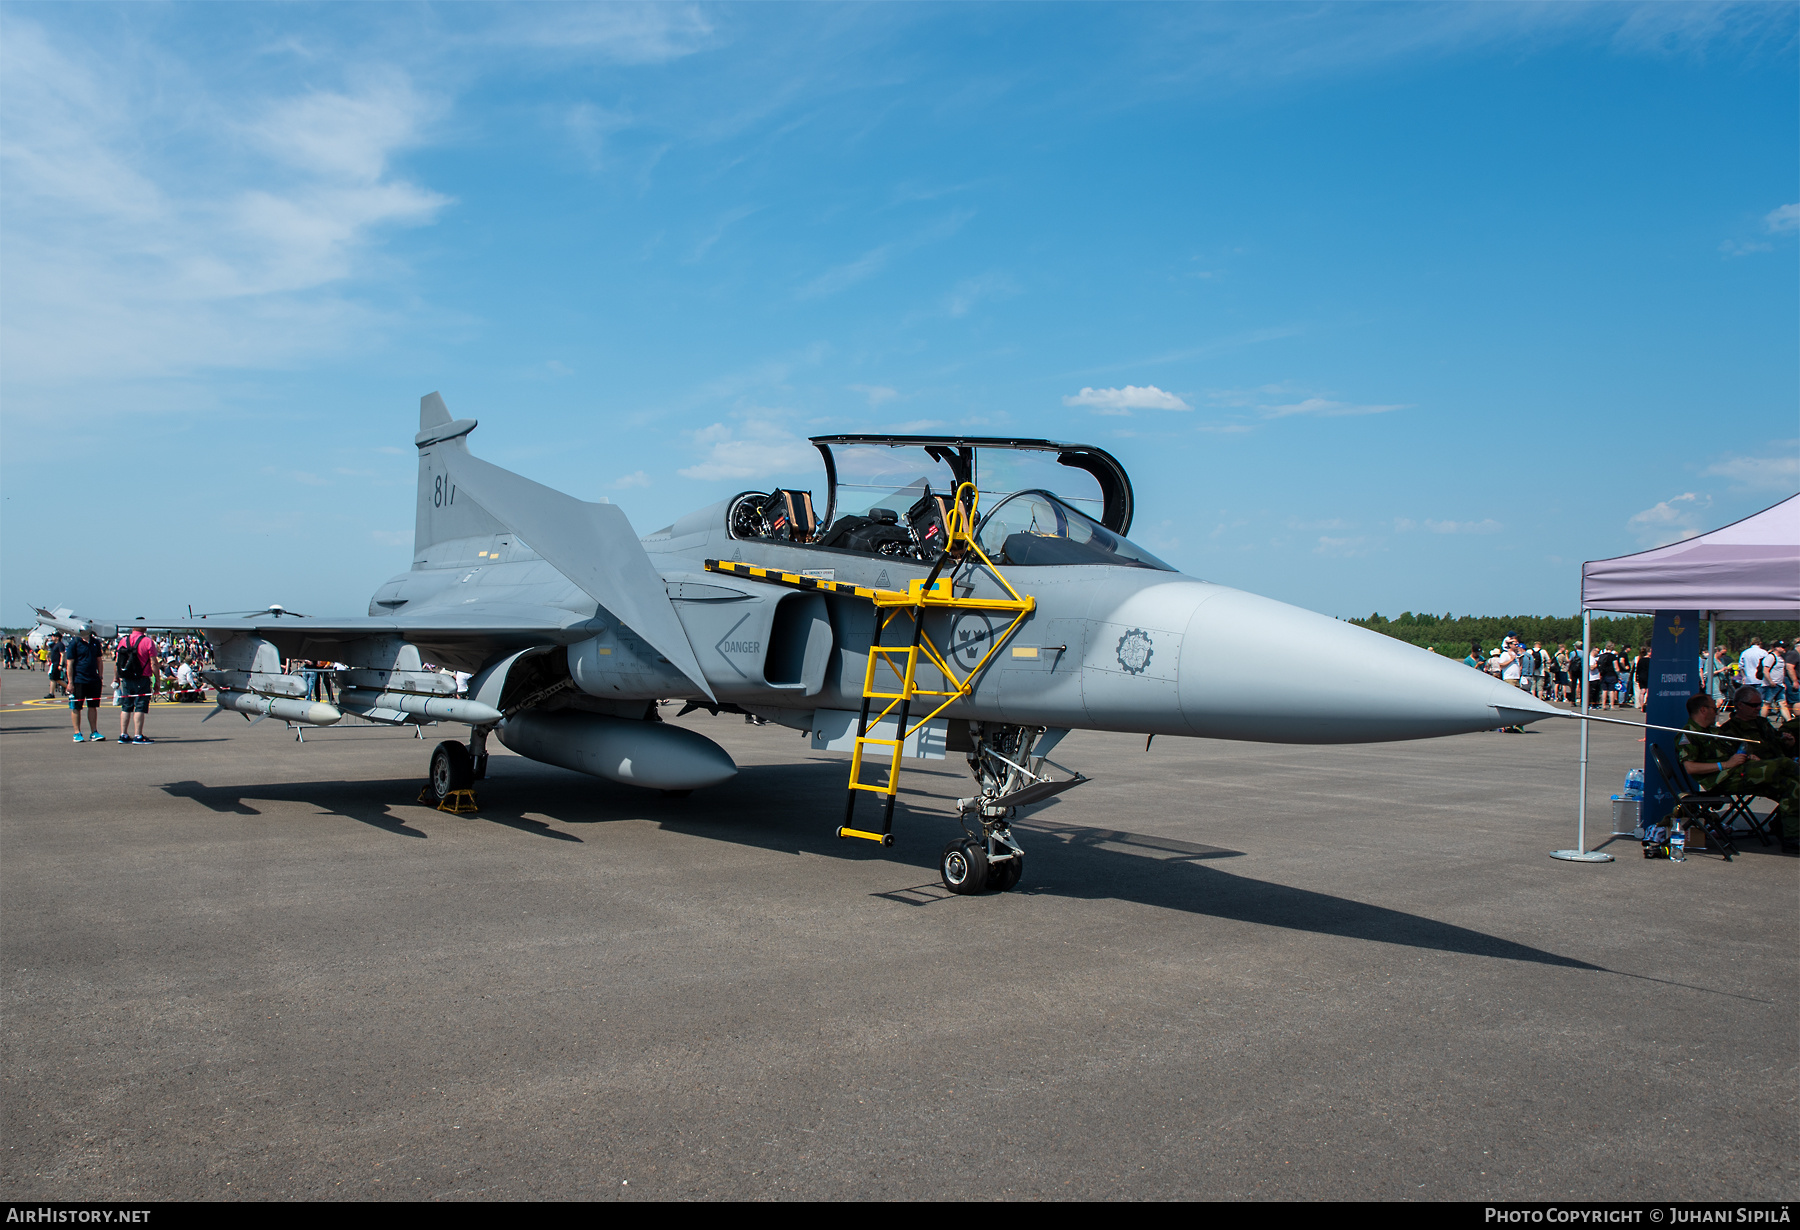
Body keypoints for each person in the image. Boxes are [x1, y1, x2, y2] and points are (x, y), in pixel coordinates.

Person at [1678, 687, 1798, 854]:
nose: (1718, 711)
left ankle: (1790, 836)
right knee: (1785, 764)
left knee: (1791, 785)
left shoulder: (1714, 732)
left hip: (1739, 771)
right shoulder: (1689, 734)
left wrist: (1747, 755)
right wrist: (1725, 765)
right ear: (1703, 710)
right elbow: (1691, 768)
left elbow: (1733, 751)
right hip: (1722, 779)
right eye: (1715, 708)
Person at [115, 619, 157, 744]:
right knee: (140, 707)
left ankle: (123, 734)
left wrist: (116, 677)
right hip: (142, 678)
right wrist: (157, 681)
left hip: (126, 678)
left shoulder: (123, 641)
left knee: (126, 706)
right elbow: (153, 662)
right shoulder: (148, 642)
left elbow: (118, 661)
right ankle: (138, 735)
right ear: (145, 628)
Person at [64, 624, 107, 742]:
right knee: (76, 707)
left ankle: (94, 731)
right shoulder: (75, 643)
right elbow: (70, 663)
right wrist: (70, 682)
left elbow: (99, 660)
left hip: (93, 679)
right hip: (79, 679)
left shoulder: (95, 643)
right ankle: (77, 732)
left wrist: (100, 676)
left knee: (93, 706)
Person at [1738, 635, 1776, 716]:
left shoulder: (1745, 652)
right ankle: (1757, 716)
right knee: (1759, 700)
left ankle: (1748, 714)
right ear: (1760, 643)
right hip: (1760, 679)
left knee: (1748, 699)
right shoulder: (1763, 652)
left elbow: (1741, 666)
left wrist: (1744, 676)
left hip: (1748, 679)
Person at [44, 632, 66, 700]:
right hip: (53, 663)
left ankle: (52, 693)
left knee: (55, 678)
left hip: (57, 663)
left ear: (57, 637)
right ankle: (51, 693)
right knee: (54, 678)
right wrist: (45, 641)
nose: (52, 638)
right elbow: (45, 647)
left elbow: (62, 654)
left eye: (53, 636)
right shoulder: (54, 644)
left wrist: (60, 664)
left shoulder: (60, 644)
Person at [1634, 645, 1650, 711]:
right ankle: (1647, 704)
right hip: (1648, 676)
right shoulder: (1651, 660)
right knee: (1648, 691)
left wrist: (1636, 677)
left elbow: (1638, 669)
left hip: (1641, 676)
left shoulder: (1641, 660)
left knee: (1642, 691)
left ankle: (1641, 706)